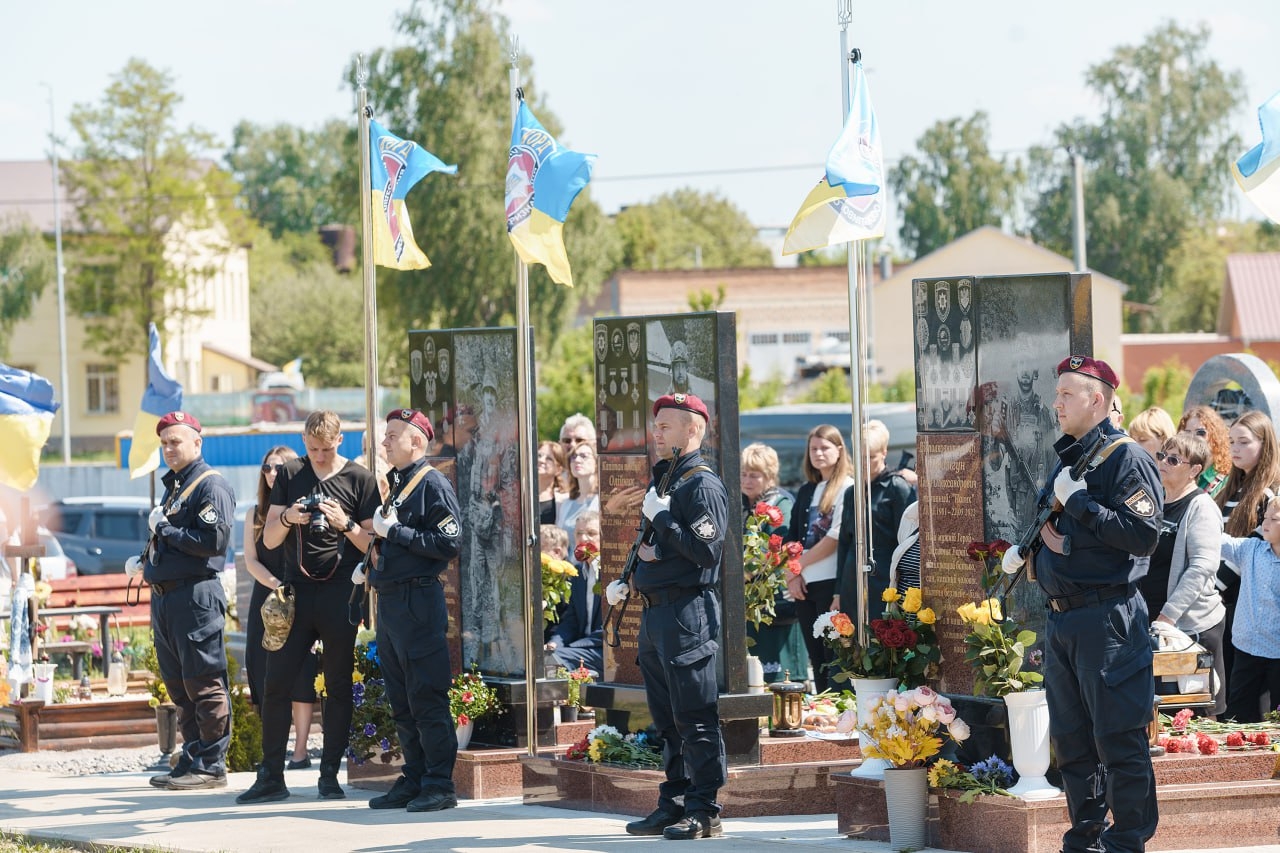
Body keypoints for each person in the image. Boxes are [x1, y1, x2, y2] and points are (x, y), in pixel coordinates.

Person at [1001, 355, 1162, 853]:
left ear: (1097, 399)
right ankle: (1085, 838)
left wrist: (1081, 504)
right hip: (1066, 620)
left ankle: (1127, 841)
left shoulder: (1125, 459)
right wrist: (1024, 551)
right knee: (1072, 743)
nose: (1056, 403)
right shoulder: (1071, 457)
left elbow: (1143, 535)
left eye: (1066, 394)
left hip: (1107, 619)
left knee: (1118, 738)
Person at [237, 411, 380, 805]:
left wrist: (344, 523)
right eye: (312, 448)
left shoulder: (360, 479)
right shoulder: (290, 473)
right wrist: (287, 516)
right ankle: (271, 775)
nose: (318, 456)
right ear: (303, 442)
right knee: (276, 683)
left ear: (340, 443)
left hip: (339, 594)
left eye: (326, 449)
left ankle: (330, 774)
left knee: (335, 686)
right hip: (295, 592)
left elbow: (374, 546)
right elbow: (267, 540)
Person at [618, 393, 728, 841]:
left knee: (695, 716)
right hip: (658, 612)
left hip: (688, 612)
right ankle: (675, 800)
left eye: (666, 425)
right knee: (666, 718)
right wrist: (630, 574)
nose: (656, 432)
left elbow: (706, 550)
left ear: (693, 430)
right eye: (656, 424)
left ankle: (705, 809)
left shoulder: (701, 484)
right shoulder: (667, 478)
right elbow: (652, 544)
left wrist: (663, 525)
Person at [128, 412, 236, 791]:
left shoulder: (210, 486)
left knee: (204, 682)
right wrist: (147, 559)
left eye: (176, 441)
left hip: (195, 597)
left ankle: (211, 763)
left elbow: (212, 542)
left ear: (196, 443)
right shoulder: (175, 487)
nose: (170, 449)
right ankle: (192, 756)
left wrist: (166, 529)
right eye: (165, 443)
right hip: (168, 598)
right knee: (179, 685)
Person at [363, 408, 463, 812]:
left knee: (425, 695)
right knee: (401, 697)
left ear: (416, 442)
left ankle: (440, 784)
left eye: (392, 435)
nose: (384, 441)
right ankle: (417, 775)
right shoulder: (400, 483)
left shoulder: (431, 483)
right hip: (391, 602)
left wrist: (395, 533)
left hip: (417, 602)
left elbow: (448, 543)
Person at [241, 445, 316, 769]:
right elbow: (250, 560)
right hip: (268, 600)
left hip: (303, 597)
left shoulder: (305, 509)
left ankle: (300, 751)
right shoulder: (254, 513)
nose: (273, 473)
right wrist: (275, 586)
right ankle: (272, 749)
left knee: (302, 675)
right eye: (268, 467)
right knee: (263, 672)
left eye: (280, 467)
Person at [1143, 434, 1226, 718]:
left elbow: (1202, 568)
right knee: (1159, 713)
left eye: (1174, 459)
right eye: (1162, 456)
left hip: (1189, 627)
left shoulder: (1201, 508)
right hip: (1155, 624)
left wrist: (1168, 616)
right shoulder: (1156, 499)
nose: (1164, 462)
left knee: (1191, 713)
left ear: (1194, 471)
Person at [1213, 409, 1280, 700]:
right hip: (1226, 608)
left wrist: (1214, 588)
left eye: (1243, 442)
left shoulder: (1268, 495)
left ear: (1264, 445)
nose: (1234, 449)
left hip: (1246, 604)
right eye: (1231, 442)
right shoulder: (1231, 487)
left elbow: (1250, 552)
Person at [784, 424, 854, 694]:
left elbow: (834, 539)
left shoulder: (847, 487)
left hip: (830, 581)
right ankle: (821, 707)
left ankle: (836, 710)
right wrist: (792, 574)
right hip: (803, 583)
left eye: (824, 447)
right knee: (815, 655)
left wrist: (798, 566)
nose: (818, 453)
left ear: (839, 450)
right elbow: (792, 538)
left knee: (832, 654)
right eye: (813, 448)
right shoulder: (806, 490)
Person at [835, 419, 915, 618]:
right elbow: (844, 542)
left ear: (884, 453)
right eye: (859, 457)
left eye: (870, 457)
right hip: (852, 577)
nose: (864, 463)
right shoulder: (851, 493)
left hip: (887, 576)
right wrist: (837, 591)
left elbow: (909, 542)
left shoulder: (897, 488)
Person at [740, 443, 805, 685]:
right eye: (743, 474)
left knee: (780, 680)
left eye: (754, 475)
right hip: (750, 602)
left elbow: (779, 551)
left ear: (769, 476)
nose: (747, 480)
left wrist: (743, 571)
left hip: (776, 603)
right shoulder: (744, 505)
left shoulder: (781, 504)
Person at [1220, 496, 1280, 722]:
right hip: (1246, 648)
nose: (1265, 523)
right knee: (1237, 713)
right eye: (1265, 517)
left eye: (1274, 519)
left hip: (1278, 654)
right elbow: (1222, 542)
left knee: (1276, 717)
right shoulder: (1251, 549)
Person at [545, 510, 603, 674]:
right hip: (577, 647)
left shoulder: (613, 572)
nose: (584, 539)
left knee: (550, 661)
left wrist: (570, 647)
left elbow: (609, 627)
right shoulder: (577, 572)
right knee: (544, 656)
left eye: (591, 533)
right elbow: (572, 619)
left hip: (603, 649)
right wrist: (555, 643)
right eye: (579, 533)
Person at [1176, 406, 1231, 499]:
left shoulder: (1228, 478)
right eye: (1187, 433)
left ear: (1215, 435)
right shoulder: (1177, 473)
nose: (1193, 438)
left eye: (1201, 433)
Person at [557, 440, 600, 542]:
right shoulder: (567, 503)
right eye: (573, 456)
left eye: (584, 456)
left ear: (596, 463)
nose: (577, 460)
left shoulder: (602, 500)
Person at [537, 440, 568, 525]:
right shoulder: (520, 494)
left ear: (558, 469)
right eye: (539, 455)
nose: (541, 460)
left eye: (549, 458)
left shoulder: (564, 499)